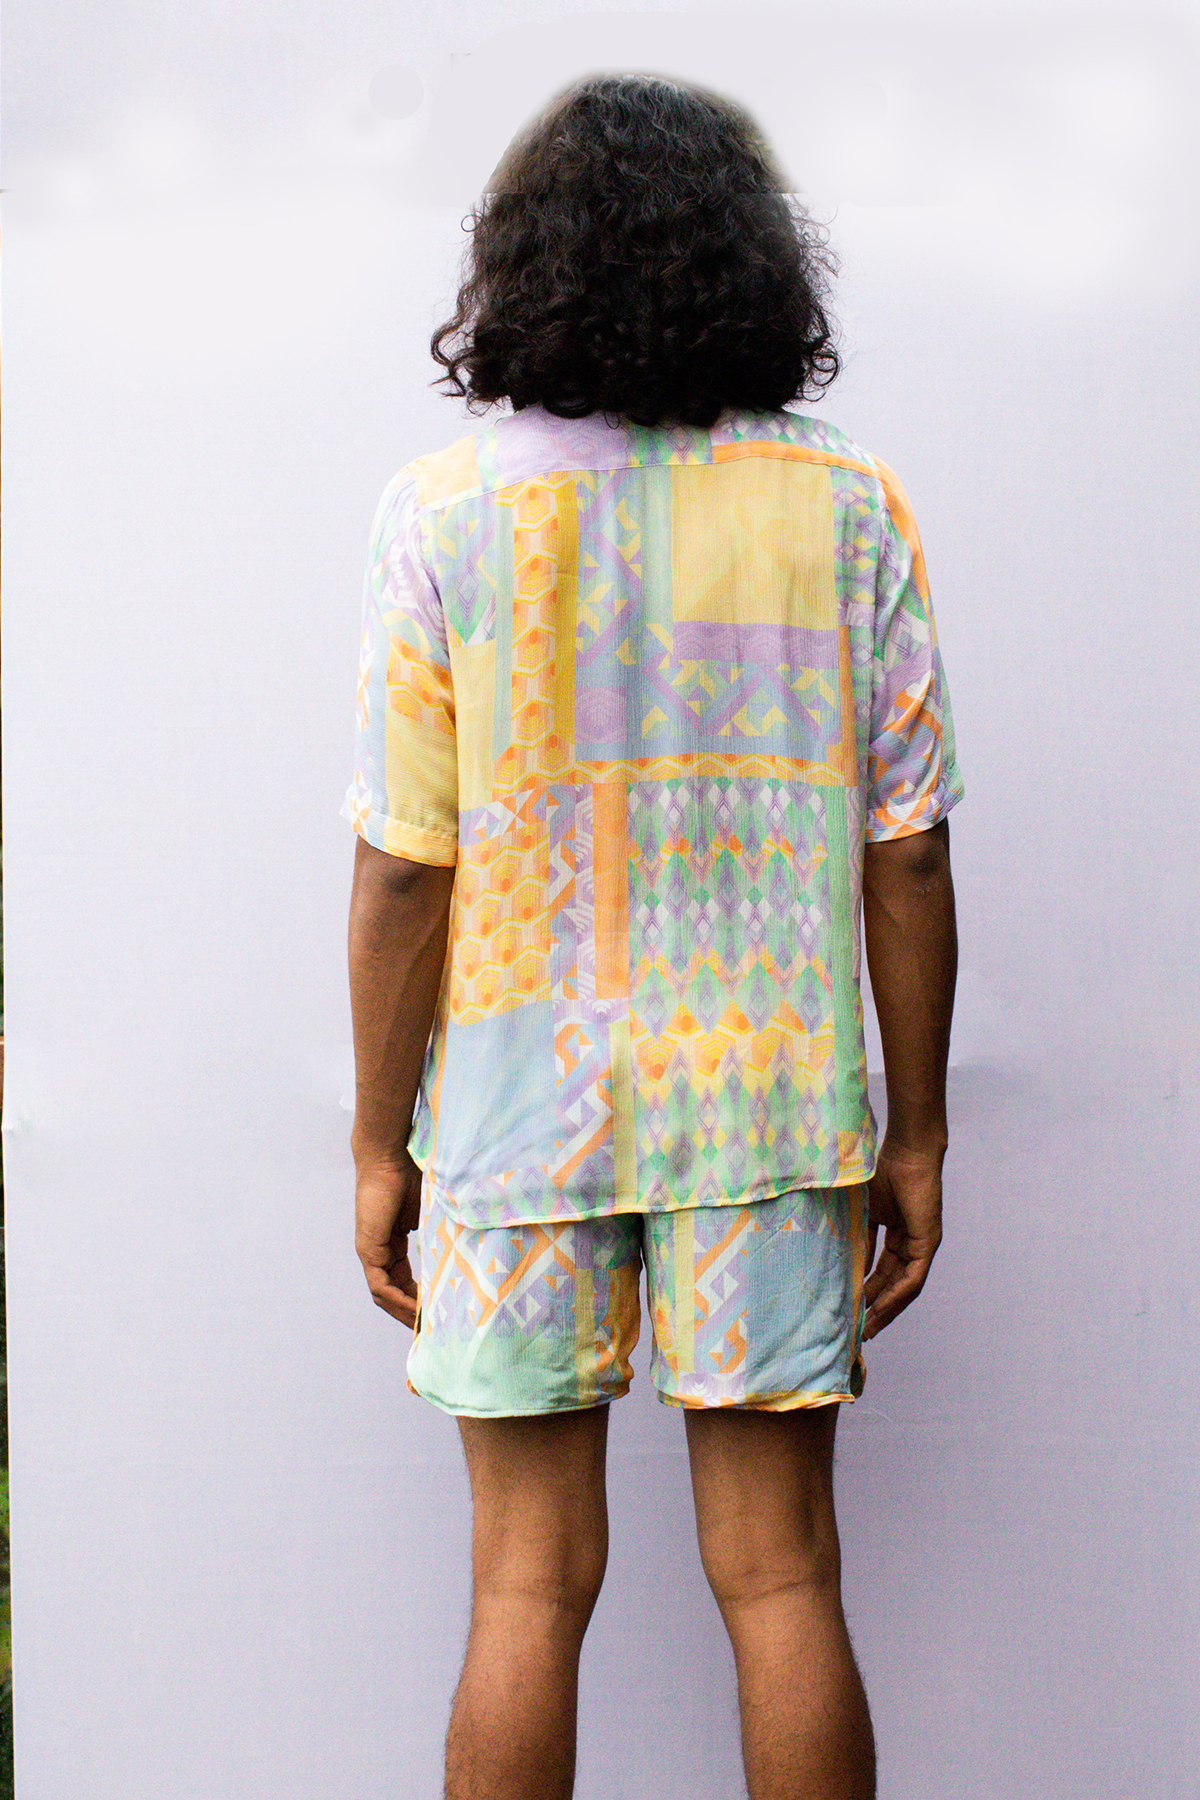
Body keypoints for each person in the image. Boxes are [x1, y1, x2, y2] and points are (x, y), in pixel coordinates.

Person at [344, 71, 961, 1800]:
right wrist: (916, 1130)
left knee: (523, 1585)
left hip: (519, 1107)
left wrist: (380, 1141)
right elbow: (909, 853)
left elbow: (405, 871)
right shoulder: (850, 506)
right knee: (782, 1579)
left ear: (522, 264)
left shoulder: (446, 512)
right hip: (767, 1102)